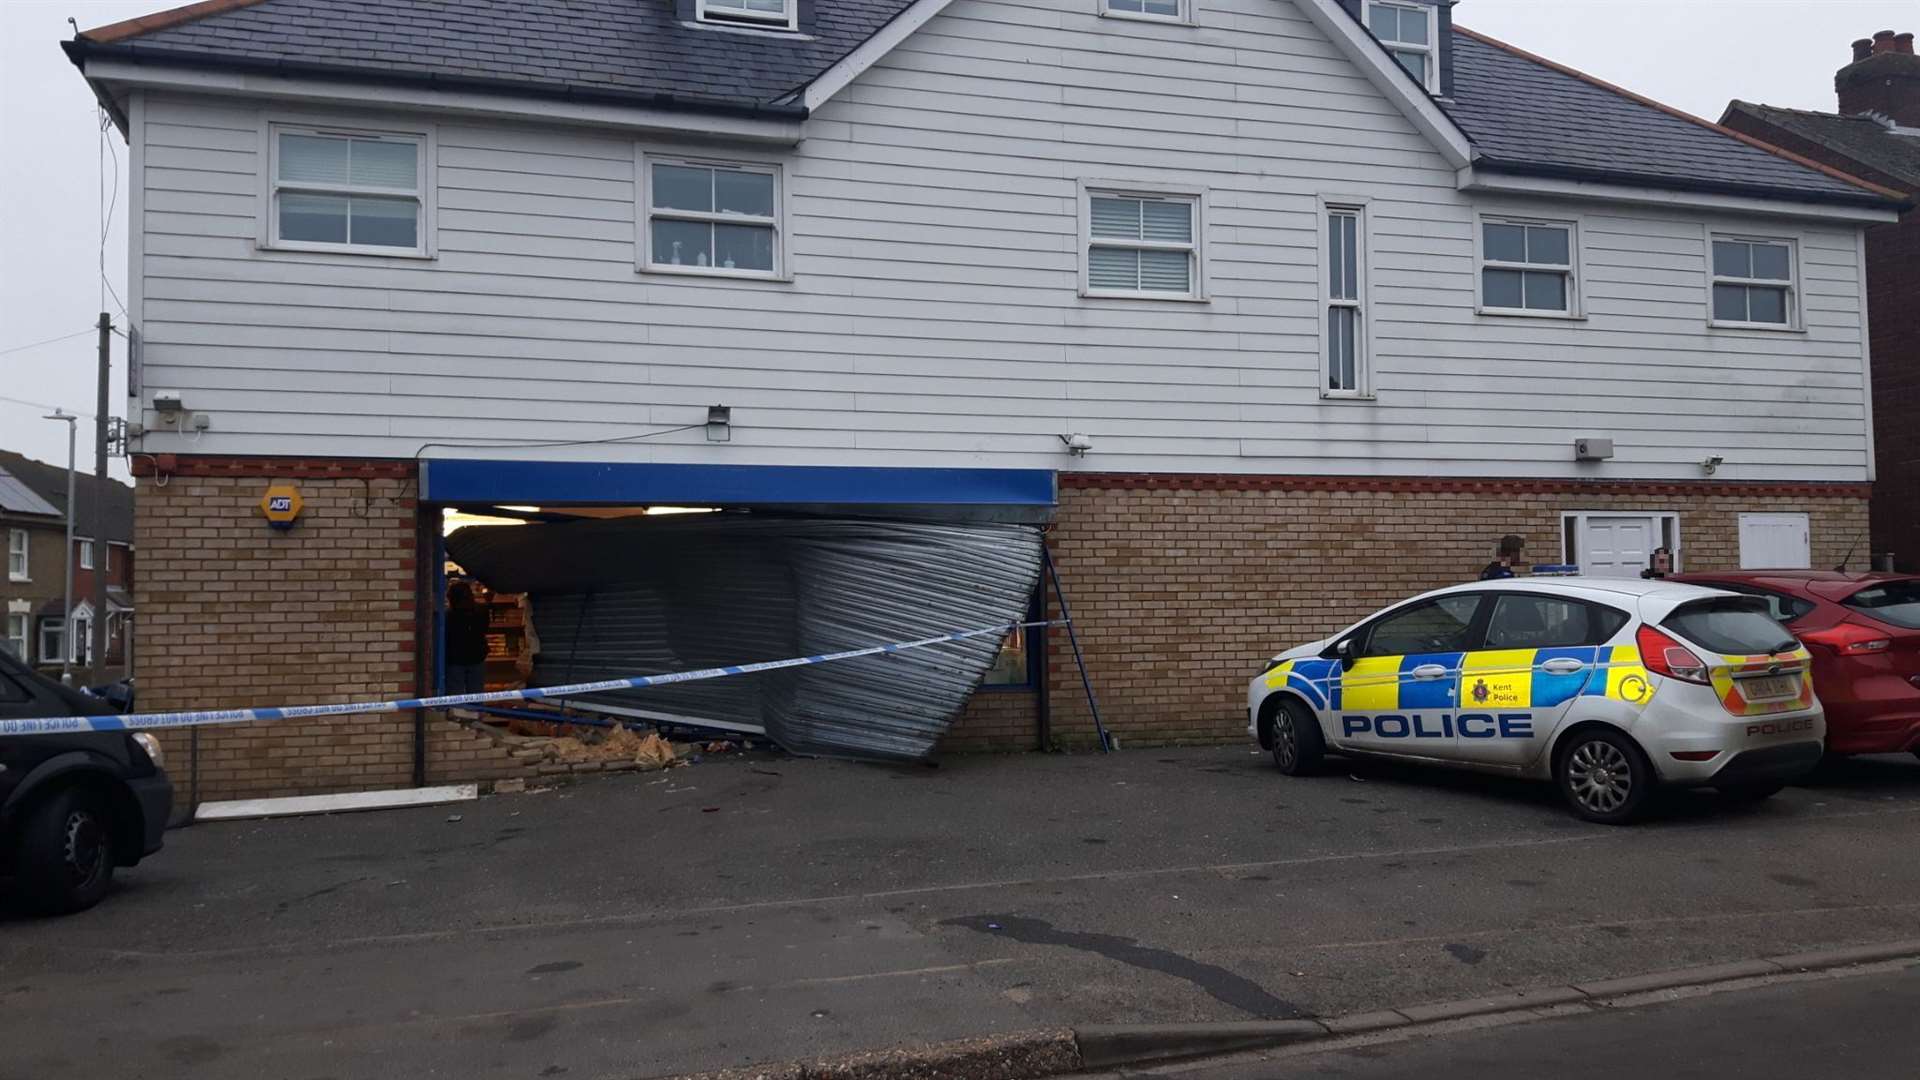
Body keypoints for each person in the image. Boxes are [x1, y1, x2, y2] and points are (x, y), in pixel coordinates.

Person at [444, 582, 491, 695]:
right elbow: (484, 629)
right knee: (476, 693)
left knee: (456, 694)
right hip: (476, 656)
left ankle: (458, 712)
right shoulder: (482, 611)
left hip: (455, 658)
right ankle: (475, 711)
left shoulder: (448, 615)